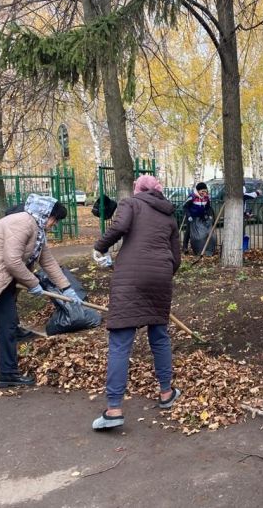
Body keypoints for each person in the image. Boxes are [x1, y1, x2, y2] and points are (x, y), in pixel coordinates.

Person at [91, 174, 182, 430]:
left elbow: (119, 228)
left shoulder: (130, 204)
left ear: (138, 189)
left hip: (130, 277)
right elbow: (177, 258)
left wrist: (100, 248)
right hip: (161, 277)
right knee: (160, 335)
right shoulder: (168, 215)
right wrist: (161, 273)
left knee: (120, 341)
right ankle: (166, 393)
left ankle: (114, 409)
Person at [0, 194, 81, 387]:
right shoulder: (22, 223)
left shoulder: (37, 231)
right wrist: (33, 283)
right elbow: (12, 261)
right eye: (56, 220)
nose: (55, 224)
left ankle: (8, 374)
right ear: (46, 214)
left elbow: (48, 262)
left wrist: (67, 289)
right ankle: (8, 373)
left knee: (8, 325)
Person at [181, 182, 214, 255]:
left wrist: (209, 214)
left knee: (203, 232)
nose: (204, 193)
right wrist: (189, 216)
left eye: (205, 191)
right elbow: (185, 207)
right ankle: (185, 247)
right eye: (202, 191)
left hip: (201, 217)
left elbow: (208, 207)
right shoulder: (192, 197)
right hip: (192, 218)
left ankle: (202, 247)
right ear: (198, 190)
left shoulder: (206, 197)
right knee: (189, 231)